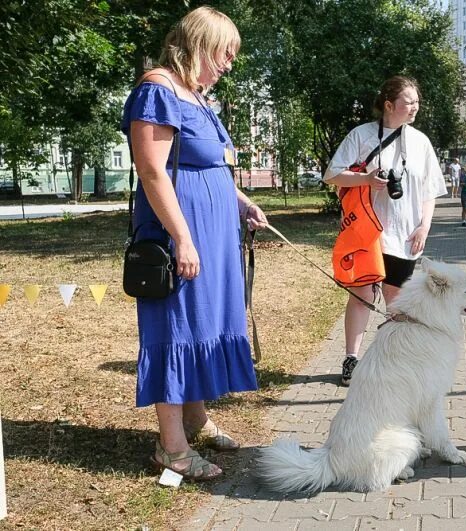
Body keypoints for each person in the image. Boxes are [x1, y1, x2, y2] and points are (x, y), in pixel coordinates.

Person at [121, 6, 268, 481]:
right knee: (176, 328)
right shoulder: (157, 90)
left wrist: (241, 202)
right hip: (178, 233)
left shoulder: (198, 97)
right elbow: (152, 172)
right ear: (200, 44)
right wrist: (183, 238)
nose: (228, 63)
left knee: (204, 321)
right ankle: (174, 450)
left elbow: (211, 166)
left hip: (214, 232)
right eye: (224, 53)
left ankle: (197, 416)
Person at [323, 76, 447, 386]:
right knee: (363, 293)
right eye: (409, 101)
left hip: (406, 234)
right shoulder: (362, 135)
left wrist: (425, 226)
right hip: (367, 232)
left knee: (396, 297)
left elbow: (430, 189)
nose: (415, 106)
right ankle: (352, 358)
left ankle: (394, 360)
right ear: (389, 105)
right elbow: (332, 175)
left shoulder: (420, 142)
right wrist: (365, 178)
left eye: (417, 101)